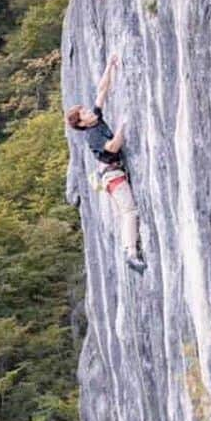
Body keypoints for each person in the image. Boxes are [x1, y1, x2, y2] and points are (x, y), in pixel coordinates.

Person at [65, 55, 146, 274]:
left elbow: (102, 91)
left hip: (113, 173)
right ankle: (131, 253)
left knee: (126, 211)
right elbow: (111, 147)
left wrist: (109, 66)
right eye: (85, 113)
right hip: (112, 176)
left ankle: (130, 249)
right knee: (129, 211)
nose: (89, 111)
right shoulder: (92, 135)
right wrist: (123, 126)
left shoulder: (96, 120)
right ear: (82, 123)